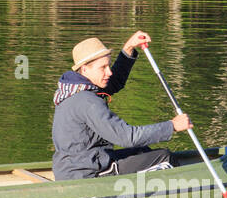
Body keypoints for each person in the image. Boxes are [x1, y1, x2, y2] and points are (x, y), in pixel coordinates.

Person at [51, 31, 192, 180]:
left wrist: (129, 47)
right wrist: (172, 126)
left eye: (109, 65)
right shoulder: (87, 101)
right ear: (85, 69)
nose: (109, 72)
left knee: (142, 151)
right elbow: (127, 137)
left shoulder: (77, 89)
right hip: (86, 174)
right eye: (103, 67)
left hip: (77, 166)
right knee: (164, 157)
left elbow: (115, 82)